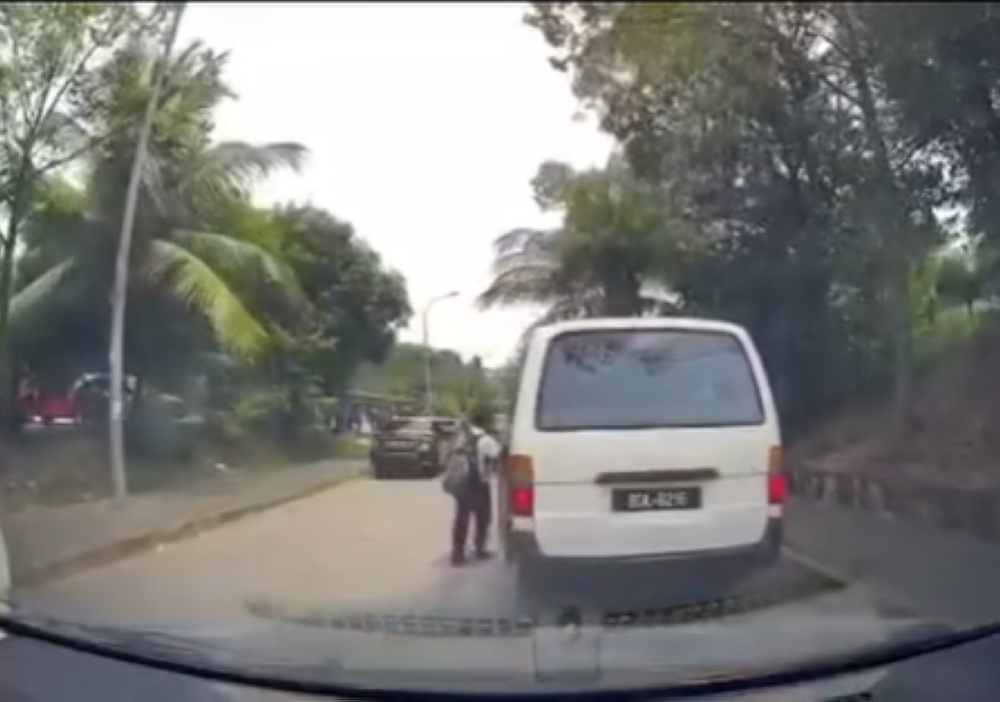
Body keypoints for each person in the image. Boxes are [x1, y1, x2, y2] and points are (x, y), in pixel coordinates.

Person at [442, 410, 502, 566]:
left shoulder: (460, 437)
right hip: (478, 483)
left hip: (461, 481)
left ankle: (458, 553)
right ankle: (479, 549)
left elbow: (446, 455)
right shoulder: (486, 439)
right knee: (483, 517)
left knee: (461, 518)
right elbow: (497, 457)